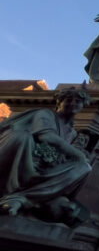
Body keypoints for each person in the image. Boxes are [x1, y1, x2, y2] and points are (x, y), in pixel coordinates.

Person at [0, 86, 92, 219]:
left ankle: (22, 197)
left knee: (84, 167)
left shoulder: (72, 133)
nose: (73, 103)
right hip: (26, 158)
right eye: (68, 100)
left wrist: (77, 158)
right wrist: (77, 154)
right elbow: (46, 136)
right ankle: (16, 197)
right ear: (59, 102)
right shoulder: (45, 114)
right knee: (22, 137)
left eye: (77, 101)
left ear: (83, 106)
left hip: (47, 167)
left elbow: (62, 155)